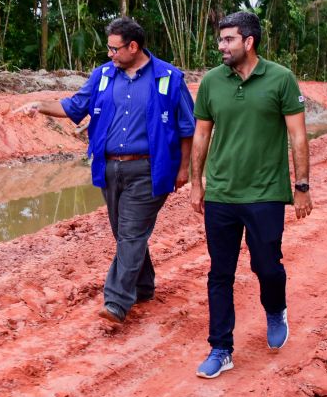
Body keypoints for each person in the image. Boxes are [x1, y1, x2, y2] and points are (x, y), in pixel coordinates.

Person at [16, 17, 195, 323]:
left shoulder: (168, 77)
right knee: (124, 233)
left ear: (133, 46)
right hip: (110, 168)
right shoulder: (103, 76)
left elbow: (186, 127)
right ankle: (144, 285)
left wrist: (184, 168)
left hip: (150, 169)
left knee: (130, 233)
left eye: (114, 49)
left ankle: (116, 301)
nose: (110, 55)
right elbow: (75, 106)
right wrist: (39, 105)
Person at [190, 11, 313, 379]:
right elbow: (201, 135)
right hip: (222, 194)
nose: (221, 46)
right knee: (219, 273)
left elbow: (298, 136)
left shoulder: (280, 79)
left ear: (249, 41)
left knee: (267, 267)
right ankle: (221, 347)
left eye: (228, 39)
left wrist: (302, 186)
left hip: (265, 193)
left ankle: (275, 309)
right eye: (220, 40)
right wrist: (197, 183)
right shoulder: (212, 81)